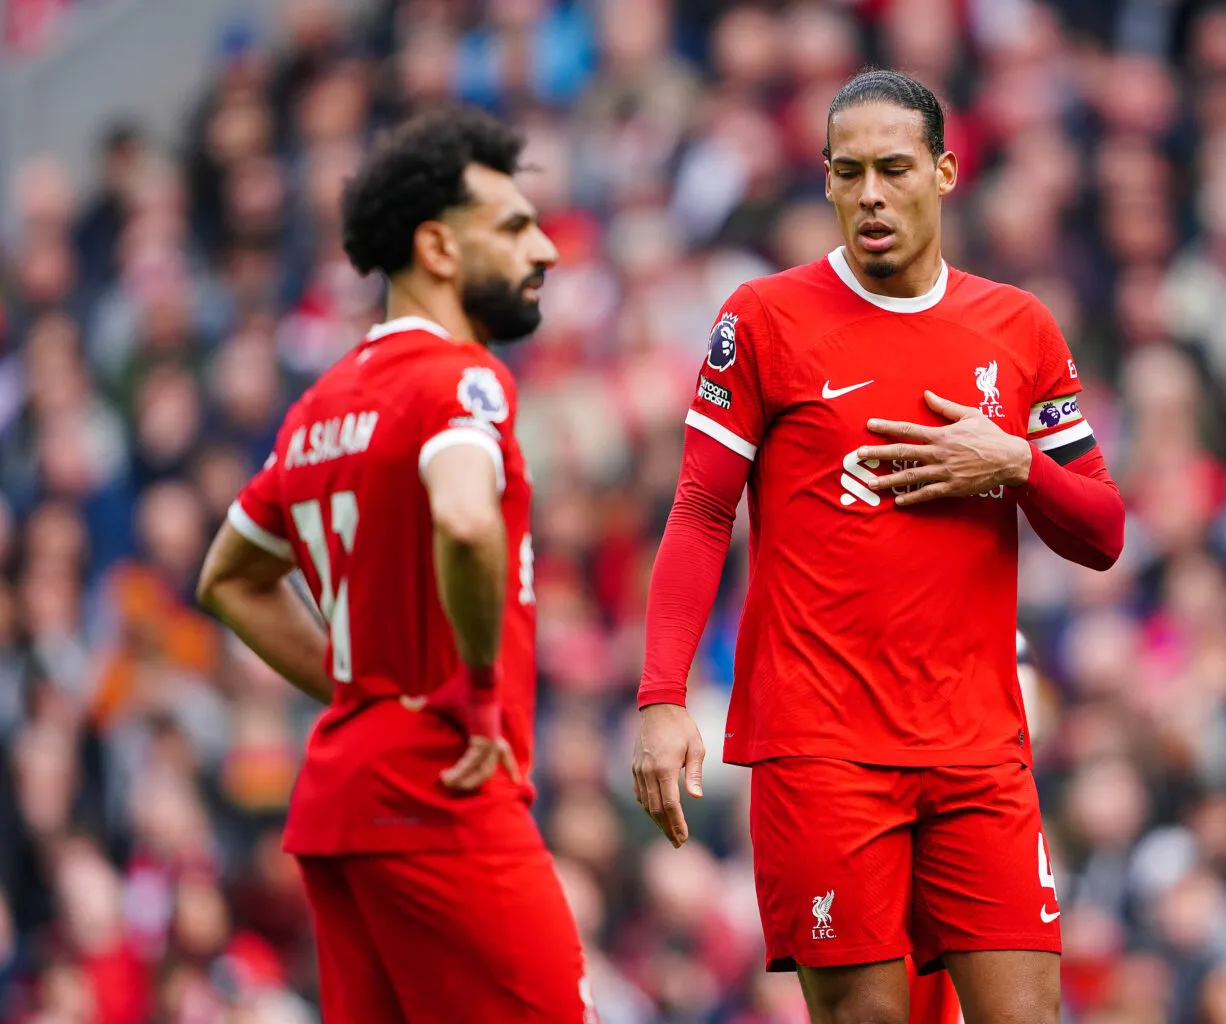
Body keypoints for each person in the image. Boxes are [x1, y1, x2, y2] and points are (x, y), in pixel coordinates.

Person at [632, 70, 1125, 1024]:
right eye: (847, 172)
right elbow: (700, 511)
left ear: (943, 172)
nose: (870, 194)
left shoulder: (1017, 328)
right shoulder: (764, 318)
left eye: (894, 169)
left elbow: (1102, 533)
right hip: (822, 749)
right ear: (823, 181)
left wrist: (1016, 461)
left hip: (979, 748)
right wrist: (661, 699)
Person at [197, 106, 595, 1023]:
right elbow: (463, 519)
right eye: (514, 227)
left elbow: (230, 579)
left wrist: (361, 686)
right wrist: (479, 686)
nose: (546, 251)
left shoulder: (315, 412)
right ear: (439, 250)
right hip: (443, 792)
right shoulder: (461, 380)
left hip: (343, 806)